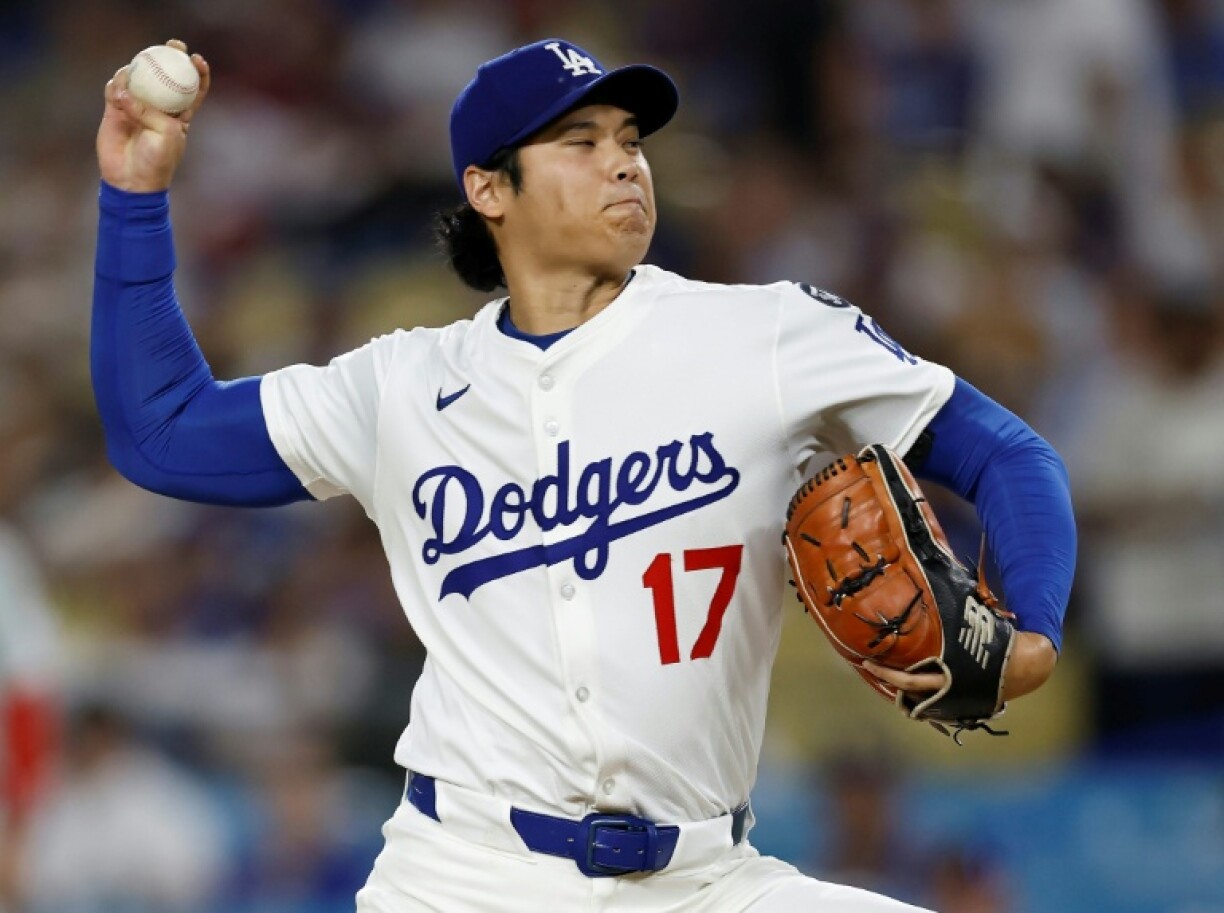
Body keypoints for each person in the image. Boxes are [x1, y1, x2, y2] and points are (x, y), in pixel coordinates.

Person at [92, 37, 1076, 912]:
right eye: (581, 143)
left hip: (707, 877)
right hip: (463, 872)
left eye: (630, 141)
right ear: (489, 188)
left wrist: (1032, 626)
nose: (623, 164)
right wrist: (134, 197)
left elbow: (1005, 453)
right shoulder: (401, 385)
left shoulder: (767, 334)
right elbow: (162, 433)